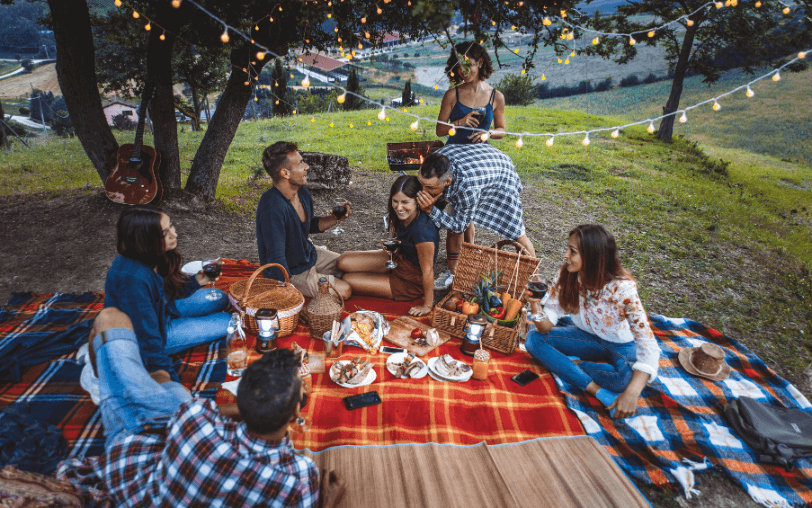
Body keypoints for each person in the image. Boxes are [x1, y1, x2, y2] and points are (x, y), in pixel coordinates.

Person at [78, 307, 345, 507]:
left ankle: (112, 384)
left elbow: (192, 413)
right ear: (297, 413)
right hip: (140, 444)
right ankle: (112, 387)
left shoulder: (196, 419)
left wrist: (261, 403)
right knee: (165, 384)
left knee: (111, 320)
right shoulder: (299, 478)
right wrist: (329, 501)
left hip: (135, 455)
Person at [524, 224, 661, 419]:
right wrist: (535, 306)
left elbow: (648, 344)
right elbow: (545, 327)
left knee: (624, 380)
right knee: (533, 340)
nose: (565, 255)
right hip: (585, 337)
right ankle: (597, 390)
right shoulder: (567, 275)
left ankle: (566, 366)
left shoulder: (622, 289)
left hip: (621, 345)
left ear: (592, 256)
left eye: (572, 251)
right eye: (568, 249)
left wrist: (631, 393)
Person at [102, 207, 230, 383]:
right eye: (165, 233)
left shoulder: (152, 255)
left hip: (164, 310)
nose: (174, 234)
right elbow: (148, 340)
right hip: (156, 332)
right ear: (145, 239)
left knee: (221, 298)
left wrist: (196, 281)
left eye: (171, 226)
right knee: (229, 322)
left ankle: (183, 319)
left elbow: (165, 293)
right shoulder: (133, 280)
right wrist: (173, 387)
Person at [416, 146, 536, 290]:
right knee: (461, 211)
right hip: (479, 162)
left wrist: (431, 210)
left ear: (447, 181)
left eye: (429, 188)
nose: (423, 191)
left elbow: (458, 226)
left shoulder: (467, 188)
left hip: (502, 173)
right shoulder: (436, 161)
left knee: (517, 231)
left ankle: (534, 281)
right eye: (421, 184)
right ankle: (456, 269)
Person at [256, 141, 352, 300]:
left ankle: (322, 276)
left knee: (349, 266)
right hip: (292, 272)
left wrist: (335, 218)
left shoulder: (302, 192)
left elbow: (307, 226)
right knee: (345, 290)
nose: (307, 166)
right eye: (300, 163)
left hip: (308, 255)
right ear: (285, 173)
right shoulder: (272, 207)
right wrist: (287, 294)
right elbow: (276, 258)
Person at [337, 175, 439, 317]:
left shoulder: (422, 231)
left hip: (409, 282)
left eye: (405, 202)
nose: (399, 207)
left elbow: (428, 271)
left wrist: (427, 305)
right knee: (343, 261)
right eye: (395, 201)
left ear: (417, 201)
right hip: (397, 260)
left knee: (347, 280)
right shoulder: (401, 217)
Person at [435, 41, 506, 146]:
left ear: (480, 62)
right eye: (459, 66)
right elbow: (439, 131)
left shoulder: (496, 97)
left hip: (482, 152)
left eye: (467, 64)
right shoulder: (452, 95)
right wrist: (460, 123)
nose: (463, 70)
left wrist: (489, 133)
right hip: (455, 149)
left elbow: (501, 130)